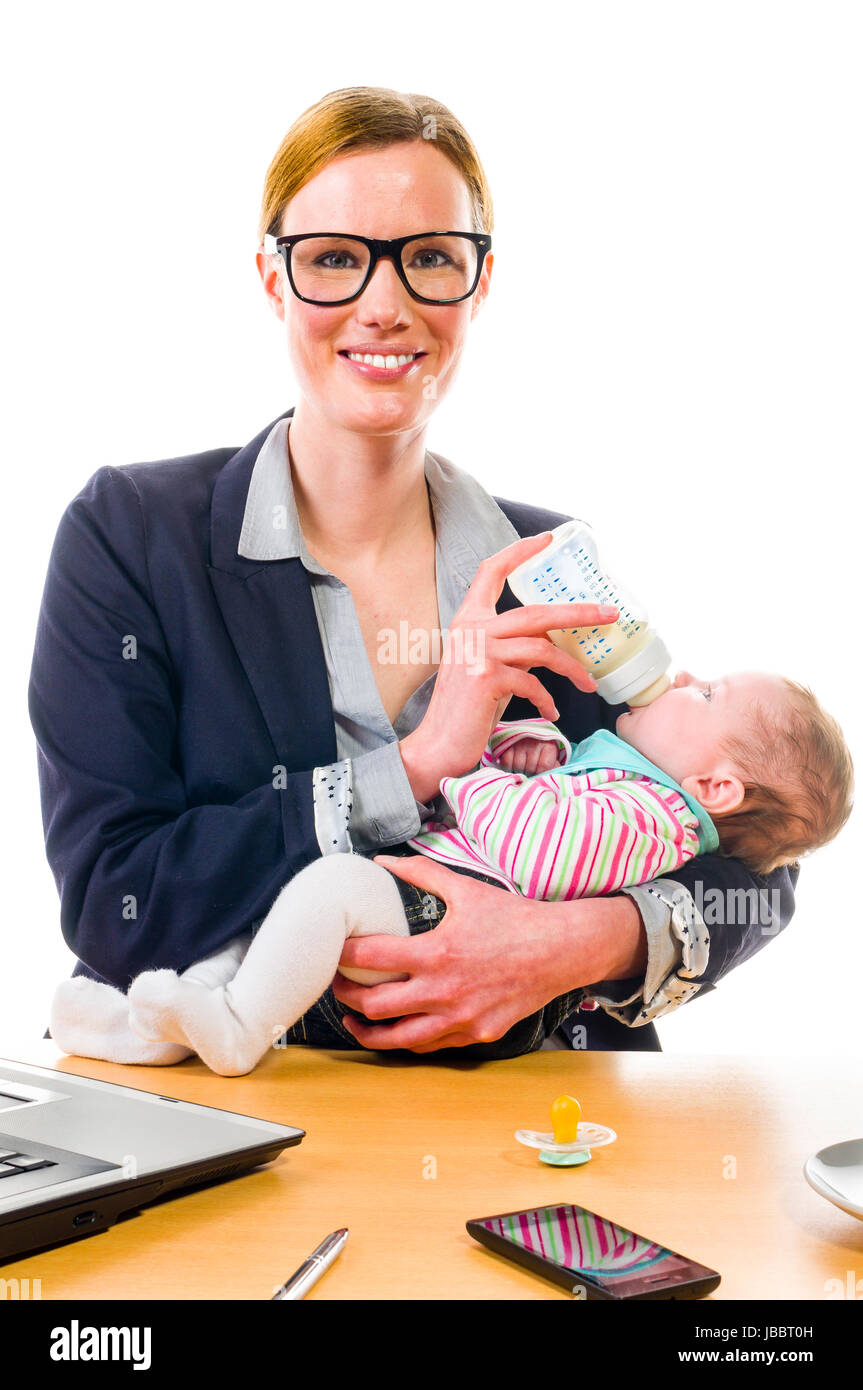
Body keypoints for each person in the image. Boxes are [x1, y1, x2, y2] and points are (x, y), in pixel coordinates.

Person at [29, 86, 799, 1060]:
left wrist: (572, 942)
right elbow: (115, 902)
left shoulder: (548, 564)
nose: (382, 305)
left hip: (527, 1116)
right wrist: (416, 763)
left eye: (429, 258)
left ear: (477, 285)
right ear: (274, 280)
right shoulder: (133, 536)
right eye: (335, 260)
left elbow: (755, 844)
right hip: (238, 1112)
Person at [48, 667, 852, 1074]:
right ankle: (151, 1029)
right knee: (258, 910)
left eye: (705, 693)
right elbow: (113, 874)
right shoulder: (635, 779)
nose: (680, 678)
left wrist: (450, 763)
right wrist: (518, 753)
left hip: (441, 948)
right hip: (402, 918)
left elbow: (756, 880)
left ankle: (231, 1029)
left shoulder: (658, 811)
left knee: (329, 889)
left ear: (715, 788)